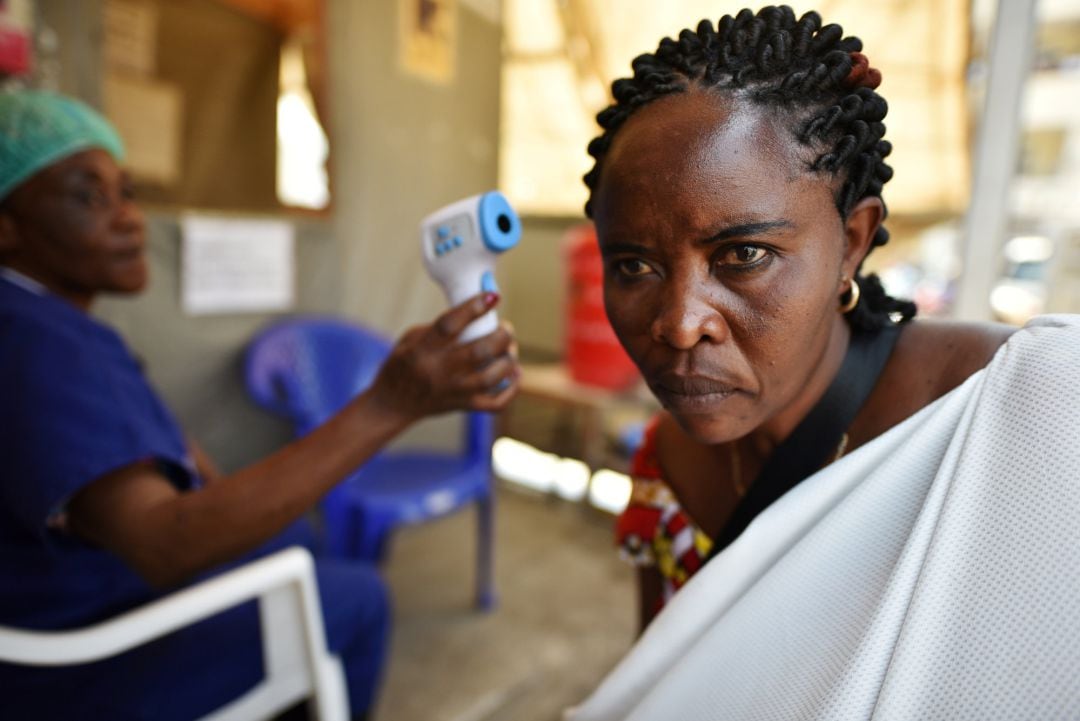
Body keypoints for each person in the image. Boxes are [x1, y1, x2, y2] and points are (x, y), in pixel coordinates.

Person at [565, 7, 1080, 720]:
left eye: (743, 254)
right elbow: (664, 677)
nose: (680, 324)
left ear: (852, 242)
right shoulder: (668, 470)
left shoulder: (1014, 412)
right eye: (634, 264)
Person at [0, 89, 519, 720]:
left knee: (295, 539)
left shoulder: (46, 324)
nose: (128, 218)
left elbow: (147, 465)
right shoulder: (39, 344)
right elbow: (164, 544)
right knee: (356, 597)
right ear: (7, 225)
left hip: (71, 592)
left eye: (127, 191)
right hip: (70, 667)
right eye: (88, 195)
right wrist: (391, 403)